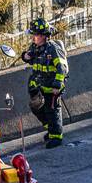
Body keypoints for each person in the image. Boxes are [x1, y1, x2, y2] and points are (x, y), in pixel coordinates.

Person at [21, 18, 69, 148]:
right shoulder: (36, 47)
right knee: (36, 107)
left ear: (43, 36)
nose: (33, 38)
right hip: (40, 86)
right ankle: (51, 128)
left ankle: (56, 136)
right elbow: (28, 57)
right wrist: (25, 56)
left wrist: (57, 85)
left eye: (35, 35)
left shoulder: (52, 48)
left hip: (52, 87)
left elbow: (62, 67)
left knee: (52, 109)